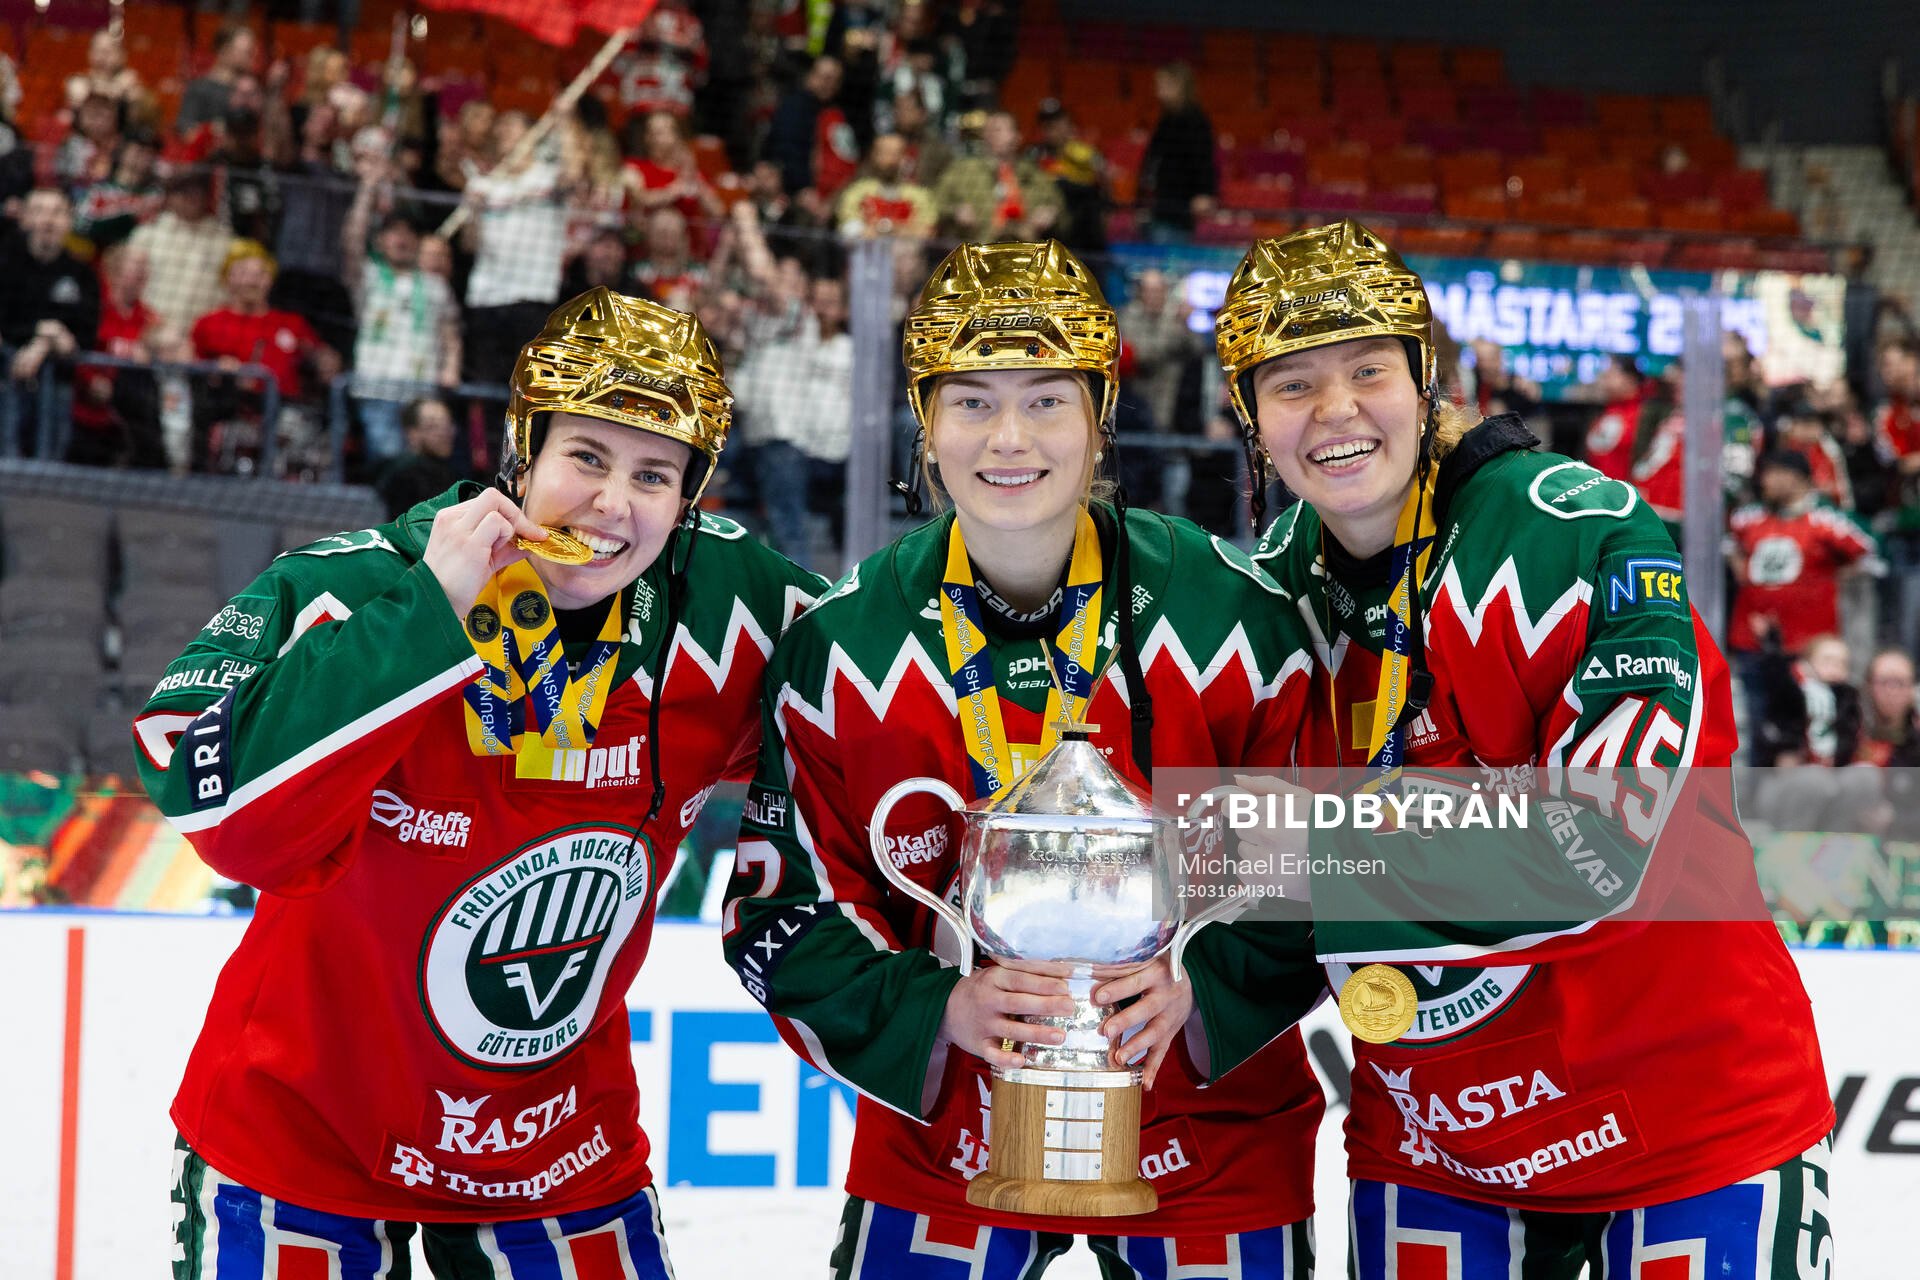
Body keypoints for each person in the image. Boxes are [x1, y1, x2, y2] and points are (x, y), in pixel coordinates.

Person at [134, 287, 826, 1278]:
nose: (614, 503)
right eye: (586, 456)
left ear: (689, 499)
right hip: (297, 1135)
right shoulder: (362, 583)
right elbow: (219, 814)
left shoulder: (726, 604)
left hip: (556, 1154)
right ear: (521, 451)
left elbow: (890, 697)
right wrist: (429, 613)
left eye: (655, 475)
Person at [1213, 220, 1834, 1277]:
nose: (1336, 412)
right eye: (1292, 384)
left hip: (1693, 1120)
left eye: (1368, 369)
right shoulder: (1263, 593)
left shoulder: (1577, 534)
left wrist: (1294, 845)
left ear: (1426, 381)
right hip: (1434, 1148)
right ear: (1248, 414)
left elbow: (1597, 846)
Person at [724, 240, 1325, 1279]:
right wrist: (938, 1007)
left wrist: (1201, 992)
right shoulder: (847, 644)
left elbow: (1317, 867)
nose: (1009, 438)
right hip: (945, 1144)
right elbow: (778, 915)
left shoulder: (1235, 616)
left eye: (1048, 400)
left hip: (1211, 1134)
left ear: (1101, 417)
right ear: (926, 421)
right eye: (972, 401)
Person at [373, 396, 461, 518]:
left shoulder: (449, 470)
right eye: (433, 426)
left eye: (447, 425)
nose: (443, 433)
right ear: (412, 433)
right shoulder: (405, 474)